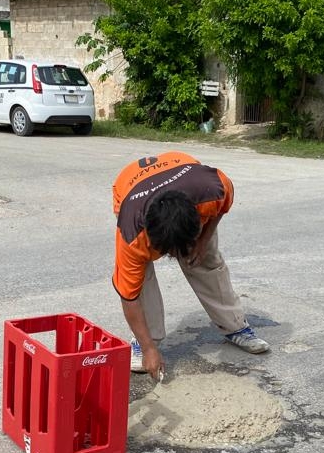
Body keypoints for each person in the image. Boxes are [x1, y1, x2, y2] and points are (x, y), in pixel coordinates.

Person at [112, 151, 270, 379]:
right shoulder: (132, 233)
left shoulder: (213, 189)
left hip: (182, 170)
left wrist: (203, 241)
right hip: (129, 184)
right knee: (139, 279)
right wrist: (149, 349)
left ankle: (235, 326)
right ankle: (146, 340)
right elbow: (129, 297)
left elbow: (221, 208)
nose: (176, 256)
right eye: (170, 251)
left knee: (205, 260)